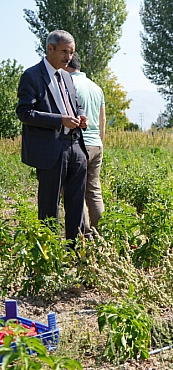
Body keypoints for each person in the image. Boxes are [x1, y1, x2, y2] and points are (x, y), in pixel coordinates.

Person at [16, 30, 89, 243]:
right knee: (49, 206)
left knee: (76, 203)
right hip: (50, 150)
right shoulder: (31, 76)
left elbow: (77, 105)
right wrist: (59, 120)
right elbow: (24, 113)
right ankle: (48, 256)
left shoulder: (67, 76)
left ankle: (75, 253)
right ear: (50, 49)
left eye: (71, 52)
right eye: (65, 52)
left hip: (75, 147)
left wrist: (81, 116)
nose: (69, 57)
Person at [64, 53, 106, 233]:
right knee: (94, 191)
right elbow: (102, 119)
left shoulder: (67, 84)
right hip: (96, 143)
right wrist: (99, 142)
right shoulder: (96, 87)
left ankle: (85, 234)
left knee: (75, 192)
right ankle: (100, 232)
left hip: (78, 144)